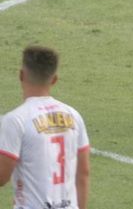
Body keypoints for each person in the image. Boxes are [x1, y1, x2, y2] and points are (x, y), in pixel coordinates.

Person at [0, 46, 90, 209]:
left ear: (21, 75)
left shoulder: (16, 120)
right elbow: (83, 173)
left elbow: (1, 176)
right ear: (54, 79)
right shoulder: (74, 116)